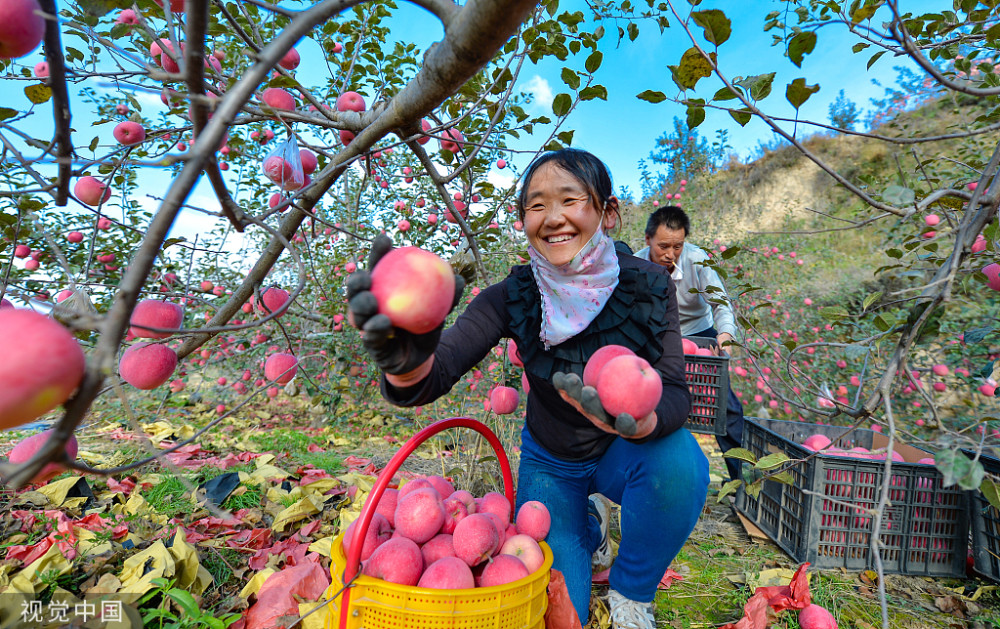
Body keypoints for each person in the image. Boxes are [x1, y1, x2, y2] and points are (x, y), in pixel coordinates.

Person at [347, 149, 709, 629]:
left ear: (608, 212)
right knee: (561, 613)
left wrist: (644, 422)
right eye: (536, 205)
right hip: (553, 462)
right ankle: (589, 524)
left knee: (681, 463)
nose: (553, 217)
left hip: (623, 449)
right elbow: (441, 368)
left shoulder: (648, 286)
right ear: (523, 222)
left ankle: (633, 591)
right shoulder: (512, 296)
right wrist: (406, 364)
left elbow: (676, 391)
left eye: (570, 199)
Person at [634, 206, 745, 482]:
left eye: (677, 246)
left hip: (699, 333)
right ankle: (650, 476)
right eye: (663, 246)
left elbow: (720, 304)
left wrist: (725, 334)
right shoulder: (634, 264)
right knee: (652, 402)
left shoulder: (697, 260)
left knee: (725, 407)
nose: (670, 254)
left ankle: (740, 481)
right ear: (648, 239)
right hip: (658, 336)